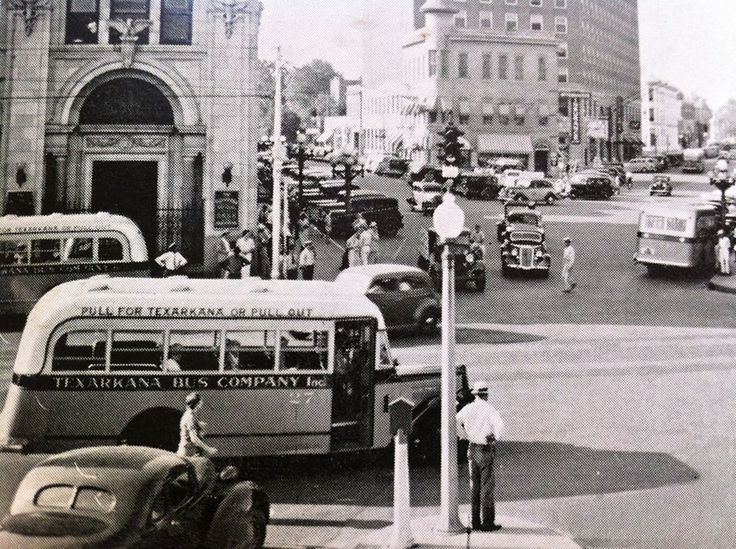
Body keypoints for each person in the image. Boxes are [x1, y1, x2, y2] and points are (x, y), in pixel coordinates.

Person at [456, 380, 505, 532]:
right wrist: (494, 438)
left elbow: (455, 421)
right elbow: (500, 426)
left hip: (472, 448)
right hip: (484, 449)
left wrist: (464, 435)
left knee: (474, 486)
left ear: (475, 394)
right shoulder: (490, 410)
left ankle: (475, 521)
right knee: (487, 487)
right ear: (486, 395)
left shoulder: (468, 409)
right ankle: (487, 522)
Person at [177, 392, 218, 458]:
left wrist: (198, 424)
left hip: (189, 453)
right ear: (198, 404)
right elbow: (194, 439)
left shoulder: (189, 414)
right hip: (188, 455)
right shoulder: (190, 417)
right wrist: (208, 450)